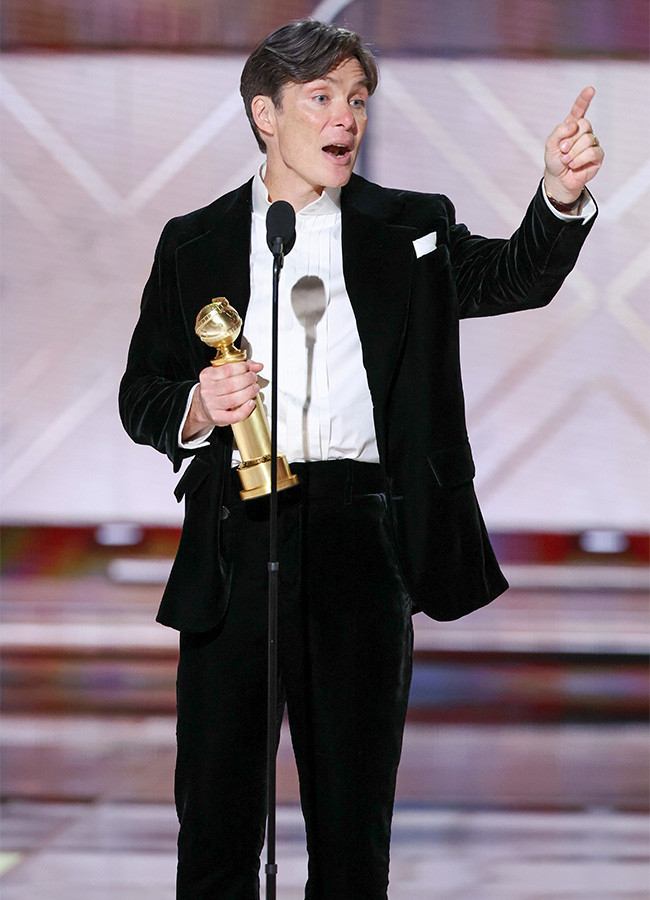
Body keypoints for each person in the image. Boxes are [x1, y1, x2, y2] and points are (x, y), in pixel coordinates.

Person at [119, 18, 603, 900]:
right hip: (236, 538)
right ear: (267, 115)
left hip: (362, 540)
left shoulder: (408, 228)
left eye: (358, 101)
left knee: (351, 831)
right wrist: (195, 404)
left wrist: (559, 194)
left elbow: (515, 278)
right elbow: (139, 394)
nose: (347, 118)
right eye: (323, 99)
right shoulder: (194, 242)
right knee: (218, 824)